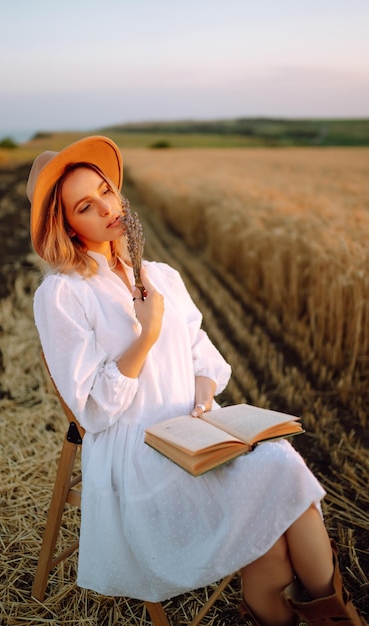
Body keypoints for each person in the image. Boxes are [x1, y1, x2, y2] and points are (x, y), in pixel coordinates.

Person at [26, 136, 366, 626]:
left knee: (276, 489)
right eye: (85, 205)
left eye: (105, 190)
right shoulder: (63, 295)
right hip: (138, 453)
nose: (106, 207)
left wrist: (205, 400)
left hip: (195, 431)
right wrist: (146, 336)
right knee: (276, 485)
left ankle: (327, 614)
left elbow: (203, 355)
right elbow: (94, 411)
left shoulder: (162, 275)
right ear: (68, 226)